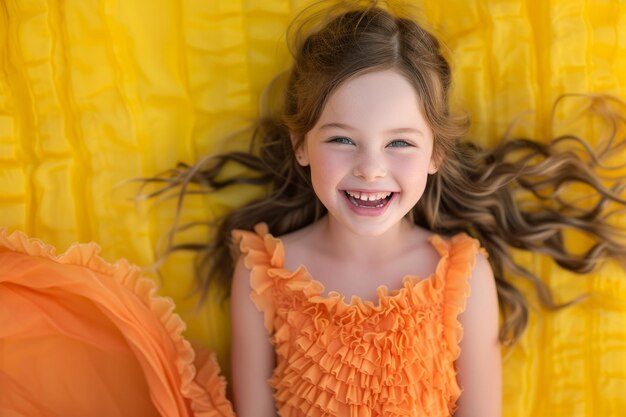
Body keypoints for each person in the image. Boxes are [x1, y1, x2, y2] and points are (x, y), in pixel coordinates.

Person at [1, 1, 625, 416]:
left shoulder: (461, 276)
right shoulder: (265, 272)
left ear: (435, 153)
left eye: (400, 143)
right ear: (301, 144)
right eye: (341, 138)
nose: (371, 168)